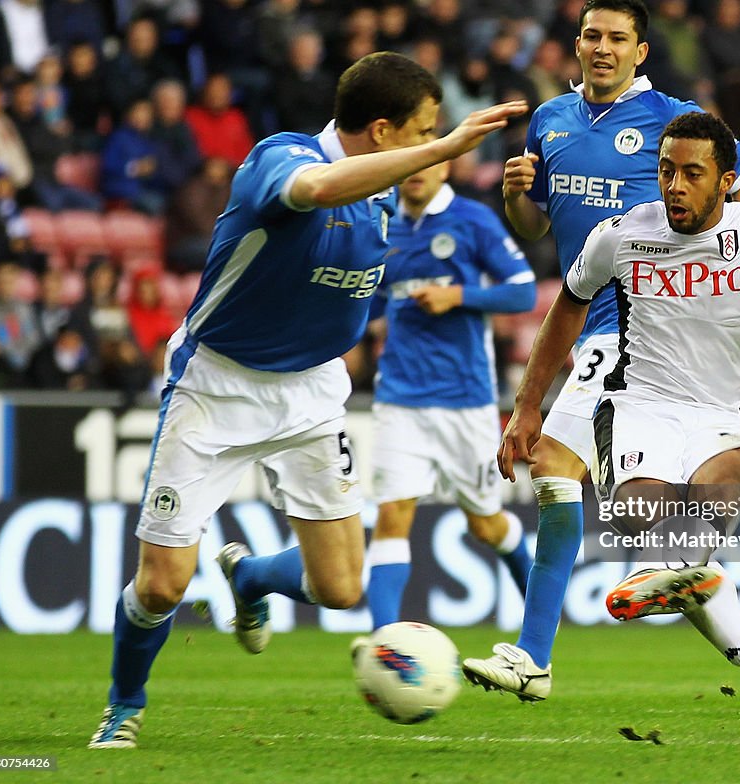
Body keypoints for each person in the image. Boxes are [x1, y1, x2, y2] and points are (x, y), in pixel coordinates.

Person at [87, 51, 526, 750]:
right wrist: (448, 148)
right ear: (382, 132)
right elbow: (318, 189)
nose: (433, 146)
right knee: (163, 586)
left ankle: (252, 576)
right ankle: (124, 704)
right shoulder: (281, 158)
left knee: (342, 586)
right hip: (216, 386)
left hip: (313, 393)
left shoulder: (389, 196)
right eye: (424, 131)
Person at [462, 0, 740, 705]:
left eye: (616, 38)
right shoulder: (549, 121)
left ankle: (533, 655)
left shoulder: (674, 121)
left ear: (641, 51)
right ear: (574, 45)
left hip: (648, 328)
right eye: (590, 36)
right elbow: (540, 230)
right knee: (652, 507)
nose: (601, 48)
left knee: (574, 477)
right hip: (589, 318)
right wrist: (520, 200)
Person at [363, 159, 537, 630]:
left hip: (466, 401)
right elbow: (371, 303)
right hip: (399, 398)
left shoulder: (472, 220)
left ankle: (541, 617)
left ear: (444, 169)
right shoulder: (385, 228)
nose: (417, 170)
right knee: (392, 514)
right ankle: (385, 643)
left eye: (430, 160)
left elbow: (521, 293)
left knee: (486, 524)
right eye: (411, 160)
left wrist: (457, 297)